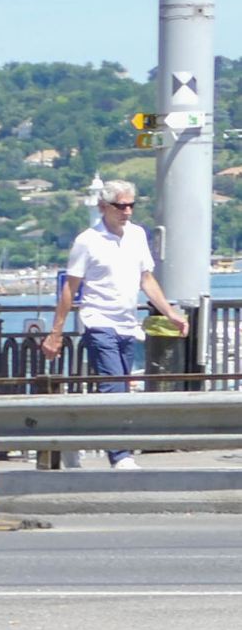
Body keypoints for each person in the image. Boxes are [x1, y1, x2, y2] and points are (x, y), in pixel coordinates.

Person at [44, 179, 188, 468]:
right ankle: (120, 455)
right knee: (114, 390)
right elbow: (71, 288)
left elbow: (146, 279)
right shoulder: (87, 240)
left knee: (118, 389)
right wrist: (55, 333)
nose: (127, 211)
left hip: (127, 324)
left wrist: (169, 312)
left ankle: (72, 441)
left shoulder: (137, 235)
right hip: (98, 323)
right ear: (103, 207)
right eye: (120, 206)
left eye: (131, 205)